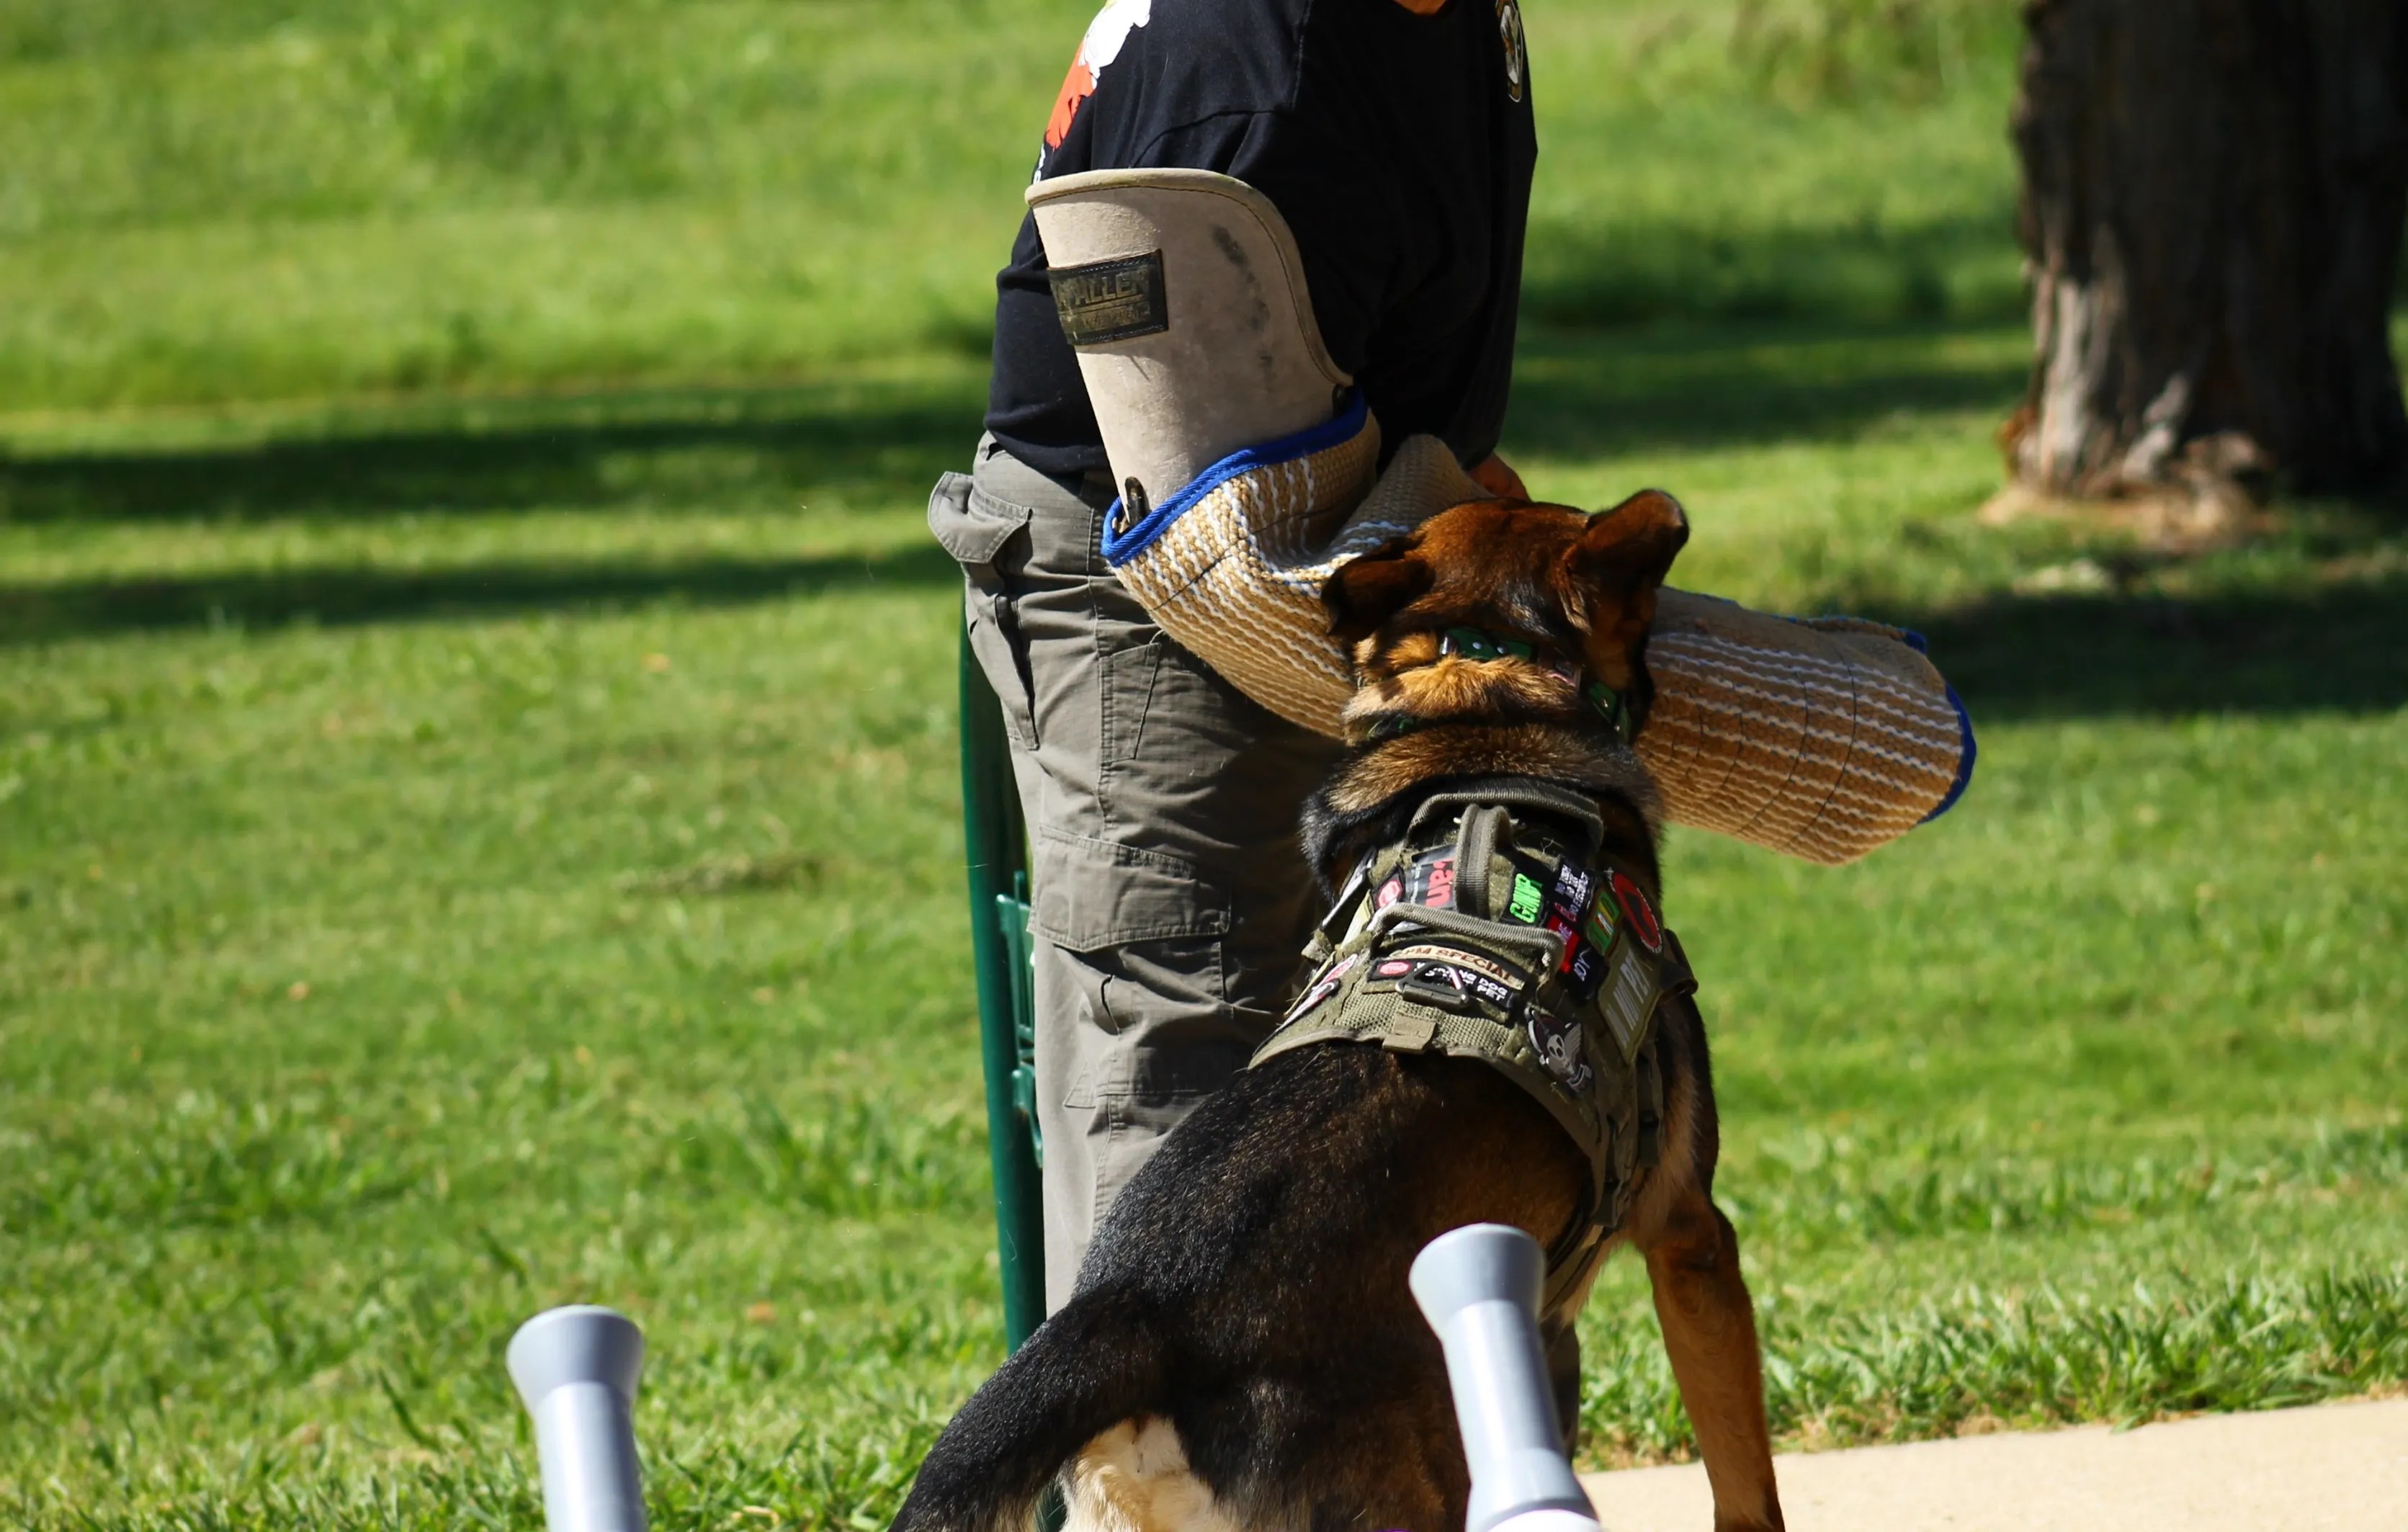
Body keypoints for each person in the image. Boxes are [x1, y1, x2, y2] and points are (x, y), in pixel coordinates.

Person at [930, 0, 1537, 1311]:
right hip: (1155, 564)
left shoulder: (1440, 17)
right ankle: (1163, 1503)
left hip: (1351, 524)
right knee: (1192, 1049)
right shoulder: (1251, 98)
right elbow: (1220, 530)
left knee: (1417, 1035)